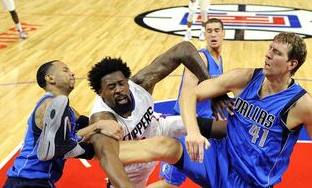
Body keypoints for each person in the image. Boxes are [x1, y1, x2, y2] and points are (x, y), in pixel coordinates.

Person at [111, 32, 312, 188]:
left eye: (276, 53)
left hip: (249, 181)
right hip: (217, 158)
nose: (268, 55)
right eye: (269, 48)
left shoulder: (303, 105)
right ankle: (91, 148)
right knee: (166, 145)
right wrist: (193, 132)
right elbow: (190, 93)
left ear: (291, 64)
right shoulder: (246, 77)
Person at [86, 40, 230, 188]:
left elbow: (183, 49)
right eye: (111, 87)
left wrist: (212, 91)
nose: (119, 89)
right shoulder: (103, 120)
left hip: (157, 128)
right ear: (100, 93)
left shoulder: (141, 84)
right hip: (133, 161)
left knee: (202, 124)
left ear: (128, 82)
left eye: (121, 83)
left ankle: (243, 135)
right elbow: (108, 158)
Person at [3, 60, 130, 188]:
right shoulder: (48, 105)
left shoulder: (68, 110)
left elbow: (87, 124)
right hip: (27, 179)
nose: (72, 73)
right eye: (65, 70)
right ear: (50, 78)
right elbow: (64, 143)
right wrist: (98, 126)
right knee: (71, 146)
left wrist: (114, 126)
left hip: (39, 181)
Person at [149, 18, 225, 188]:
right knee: (170, 183)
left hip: (204, 126)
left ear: (224, 33)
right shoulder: (200, 59)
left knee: (212, 177)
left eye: (217, 30)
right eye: (209, 31)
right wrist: (190, 130)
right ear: (204, 34)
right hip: (185, 125)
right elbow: (186, 96)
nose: (213, 34)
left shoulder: (219, 60)